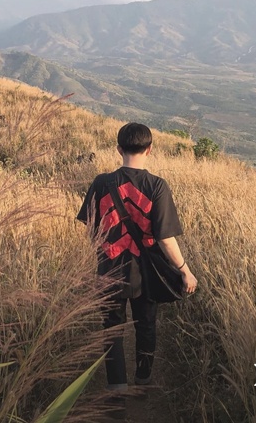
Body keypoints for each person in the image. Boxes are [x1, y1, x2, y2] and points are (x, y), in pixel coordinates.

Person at [77, 122, 198, 395]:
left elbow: (91, 230)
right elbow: (166, 239)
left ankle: (117, 388)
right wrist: (184, 270)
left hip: (109, 268)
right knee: (146, 325)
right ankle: (143, 379)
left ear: (119, 149)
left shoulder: (101, 183)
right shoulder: (157, 186)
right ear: (150, 149)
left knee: (112, 328)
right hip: (146, 271)